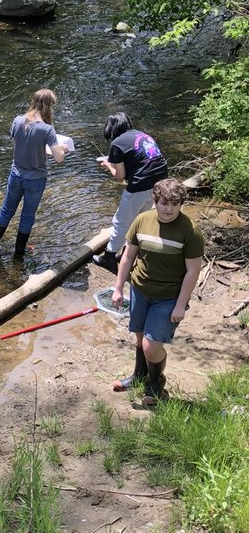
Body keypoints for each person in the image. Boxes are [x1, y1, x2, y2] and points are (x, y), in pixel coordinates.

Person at [111, 178, 204, 404]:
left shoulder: (190, 231)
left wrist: (181, 305)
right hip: (140, 290)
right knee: (140, 336)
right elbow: (128, 256)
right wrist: (118, 288)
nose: (168, 209)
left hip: (169, 297)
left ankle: (157, 384)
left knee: (151, 346)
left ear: (181, 204)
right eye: (163, 203)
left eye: (174, 204)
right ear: (155, 201)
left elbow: (193, 271)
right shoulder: (142, 220)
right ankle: (138, 376)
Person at [0, 88, 67, 258]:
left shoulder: (17, 121)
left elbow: (17, 145)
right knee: (27, 216)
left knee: (6, 210)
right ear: (48, 106)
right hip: (36, 179)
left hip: (16, 174)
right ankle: (18, 254)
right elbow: (59, 158)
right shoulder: (47, 129)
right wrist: (63, 148)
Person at [93, 113, 168, 273]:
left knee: (121, 221)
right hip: (160, 182)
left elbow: (120, 176)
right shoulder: (142, 135)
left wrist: (108, 165)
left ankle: (109, 257)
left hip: (141, 184)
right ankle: (128, 253)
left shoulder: (117, 143)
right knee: (140, 219)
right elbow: (141, 159)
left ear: (112, 130)